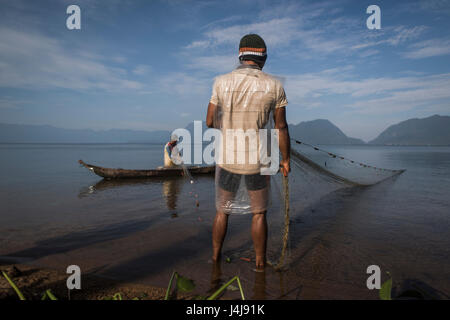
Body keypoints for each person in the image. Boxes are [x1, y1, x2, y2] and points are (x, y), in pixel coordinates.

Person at [206, 34, 291, 271]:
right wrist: (285, 160)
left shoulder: (221, 82)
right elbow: (280, 127)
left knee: (222, 212)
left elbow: (210, 120)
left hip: (227, 159)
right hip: (258, 160)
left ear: (241, 56)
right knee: (259, 214)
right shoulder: (274, 85)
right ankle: (260, 264)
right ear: (263, 58)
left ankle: (215, 259)